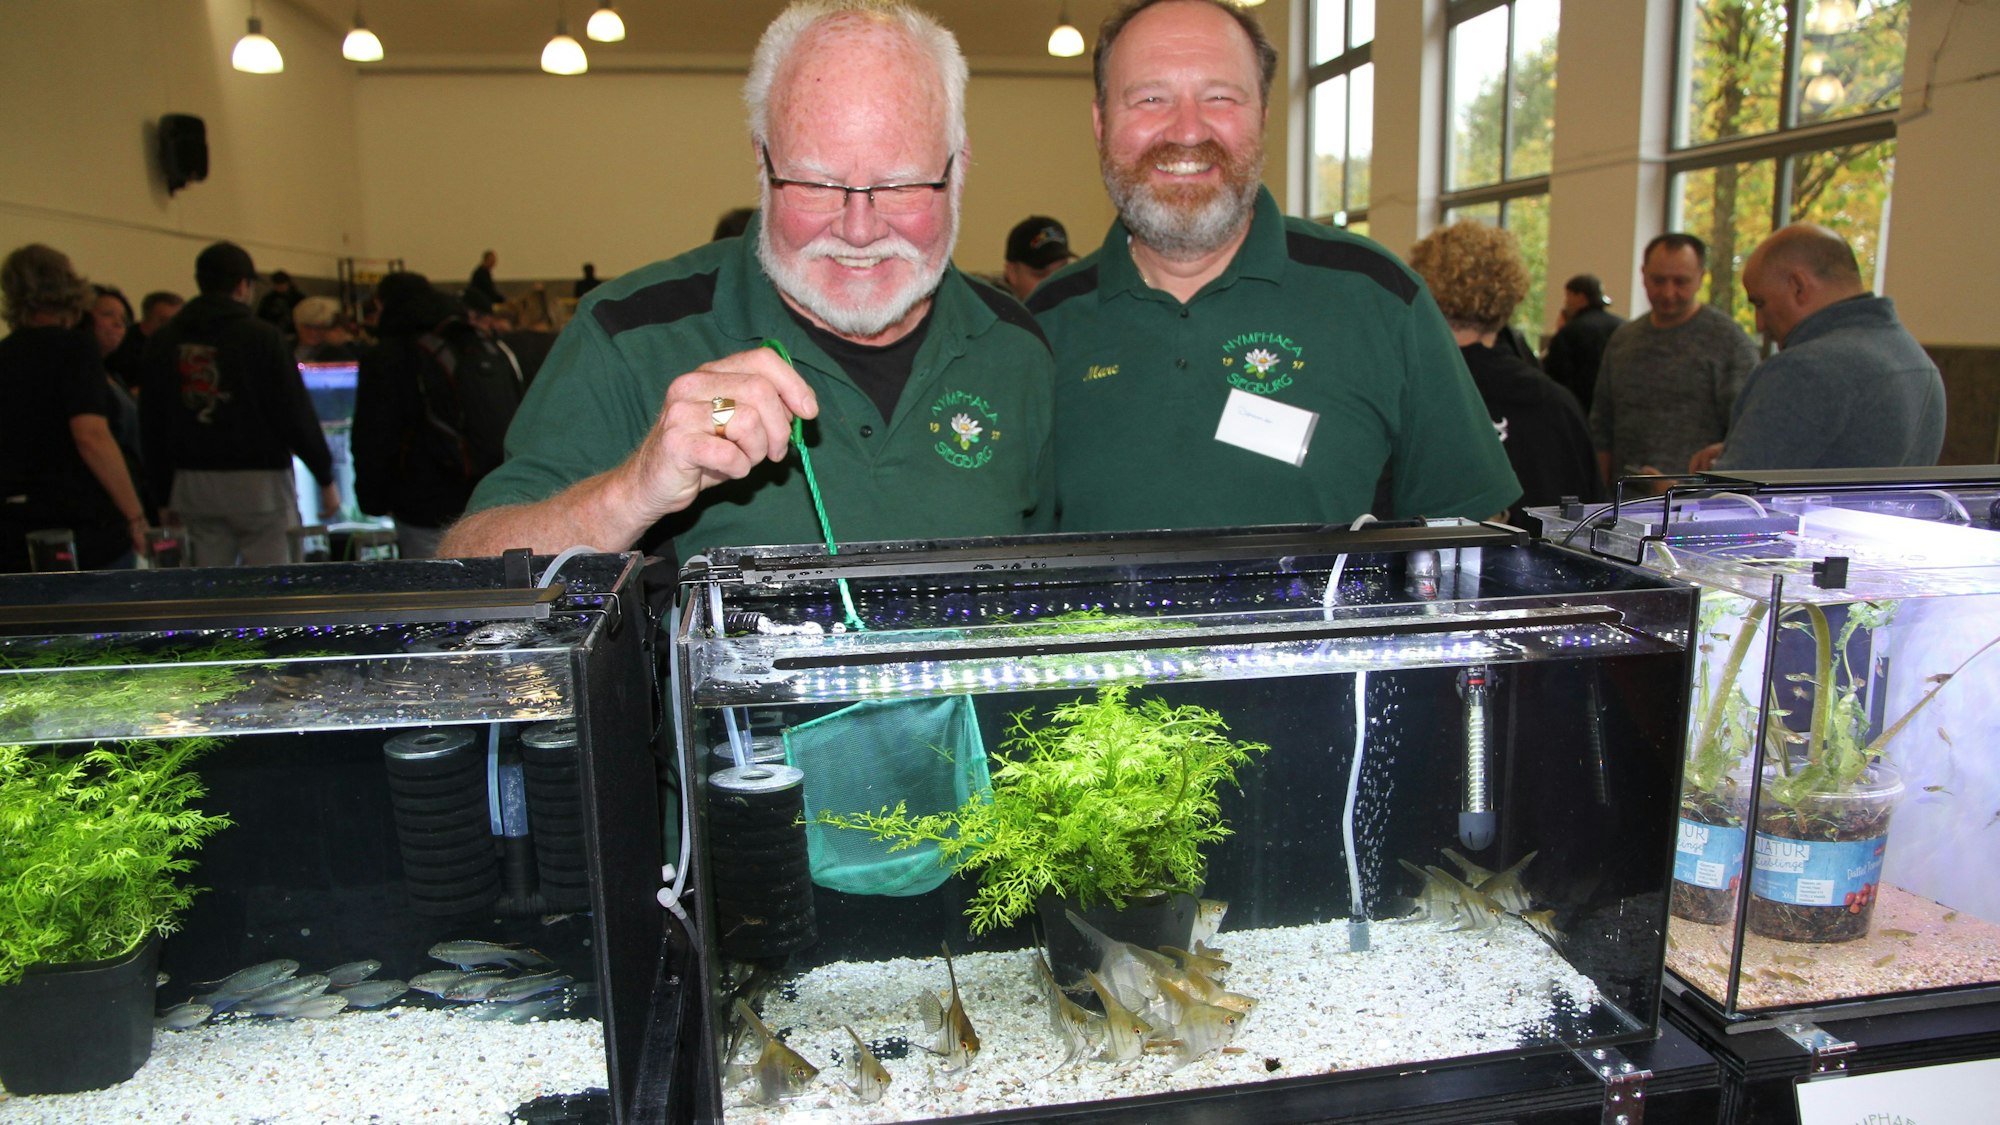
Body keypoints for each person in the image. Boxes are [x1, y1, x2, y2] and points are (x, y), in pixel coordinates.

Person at [441, 0, 1056, 561]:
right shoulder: (628, 337)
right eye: (816, 184)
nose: (860, 229)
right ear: (762, 164)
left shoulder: (1017, 349)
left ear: (961, 167)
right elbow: (465, 576)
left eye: (900, 185)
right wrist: (633, 489)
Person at [1028, 0, 1518, 532]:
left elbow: (1474, 537)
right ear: (1101, 123)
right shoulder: (1042, 329)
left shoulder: (1380, 301)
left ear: (1262, 115)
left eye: (1220, 97)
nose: (1187, 131)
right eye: (1150, 97)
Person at [139, 241, 338, 566]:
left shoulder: (164, 341)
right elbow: (293, 412)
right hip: (260, 482)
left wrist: (161, 494)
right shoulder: (261, 337)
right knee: (273, 588)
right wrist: (324, 475)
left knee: (209, 588)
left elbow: (151, 424)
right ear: (242, 285)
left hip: (193, 481)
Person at [1688, 224, 1944, 472]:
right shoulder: (1917, 360)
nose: (1759, 324)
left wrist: (1675, 497)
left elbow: (1730, 504)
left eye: (1760, 303)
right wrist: (1742, 447)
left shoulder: (1802, 370)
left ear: (1798, 286)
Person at [1408, 222, 1602, 512]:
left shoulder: (1402, 394)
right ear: (1511, 297)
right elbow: (1592, 518)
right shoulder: (1554, 404)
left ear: (1423, 289)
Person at [353, 273, 524, 559]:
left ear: (385, 304)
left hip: (424, 503)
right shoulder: (479, 343)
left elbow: (375, 435)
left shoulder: (390, 355)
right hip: (491, 499)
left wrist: (372, 499)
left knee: (434, 594)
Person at [0, 245, 149, 571]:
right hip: (83, 524)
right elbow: (91, 435)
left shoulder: (6, 353)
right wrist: (135, 516)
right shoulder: (75, 348)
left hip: (17, 525)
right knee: (107, 619)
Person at [1588, 233, 1757, 483]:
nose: (1668, 292)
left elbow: (1746, 436)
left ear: (1701, 277)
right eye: (1658, 280)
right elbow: (1602, 427)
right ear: (1643, 275)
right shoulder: (1623, 340)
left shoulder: (1729, 342)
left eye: (1680, 282)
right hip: (1623, 502)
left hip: (1697, 507)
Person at [1541, 273, 1623, 414]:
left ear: (1580, 298)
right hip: (1615, 409)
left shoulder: (1569, 332)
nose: (1566, 303)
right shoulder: (1623, 327)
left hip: (1579, 410)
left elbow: (1555, 375)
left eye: (1568, 296)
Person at [1003, 215, 1075, 301]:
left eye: (1063, 272)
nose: (1054, 284)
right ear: (1012, 273)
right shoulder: (992, 311)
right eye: (1041, 274)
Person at [292, 296, 362, 363]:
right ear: (298, 325)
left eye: (319, 328)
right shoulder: (286, 347)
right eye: (308, 327)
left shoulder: (337, 354)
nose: (313, 332)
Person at [255, 269, 305, 333]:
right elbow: (261, 316)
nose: (280, 287)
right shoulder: (269, 299)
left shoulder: (298, 298)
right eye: (277, 284)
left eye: (282, 284)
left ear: (288, 283)